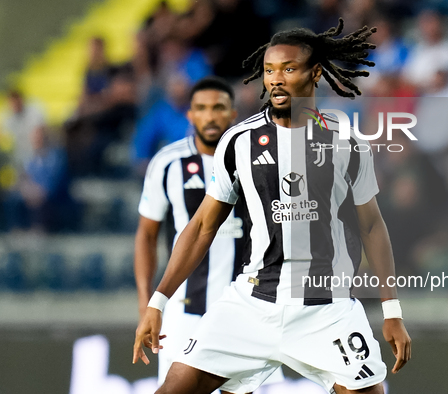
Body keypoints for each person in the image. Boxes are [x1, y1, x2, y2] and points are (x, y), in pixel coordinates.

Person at [134, 19, 411, 394]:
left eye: (289, 68)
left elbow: (373, 226)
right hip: (252, 302)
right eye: (269, 70)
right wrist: (158, 300)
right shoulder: (239, 141)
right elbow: (202, 227)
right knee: (174, 388)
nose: (275, 79)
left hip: (325, 307)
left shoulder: (346, 140)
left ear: (315, 74)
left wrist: (392, 310)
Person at [134, 76, 284, 391]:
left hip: (250, 309)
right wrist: (147, 303)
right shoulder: (167, 164)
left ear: (233, 114)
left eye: (218, 108)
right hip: (185, 310)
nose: (210, 116)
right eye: (201, 108)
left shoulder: (261, 158)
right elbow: (147, 235)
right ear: (189, 115)